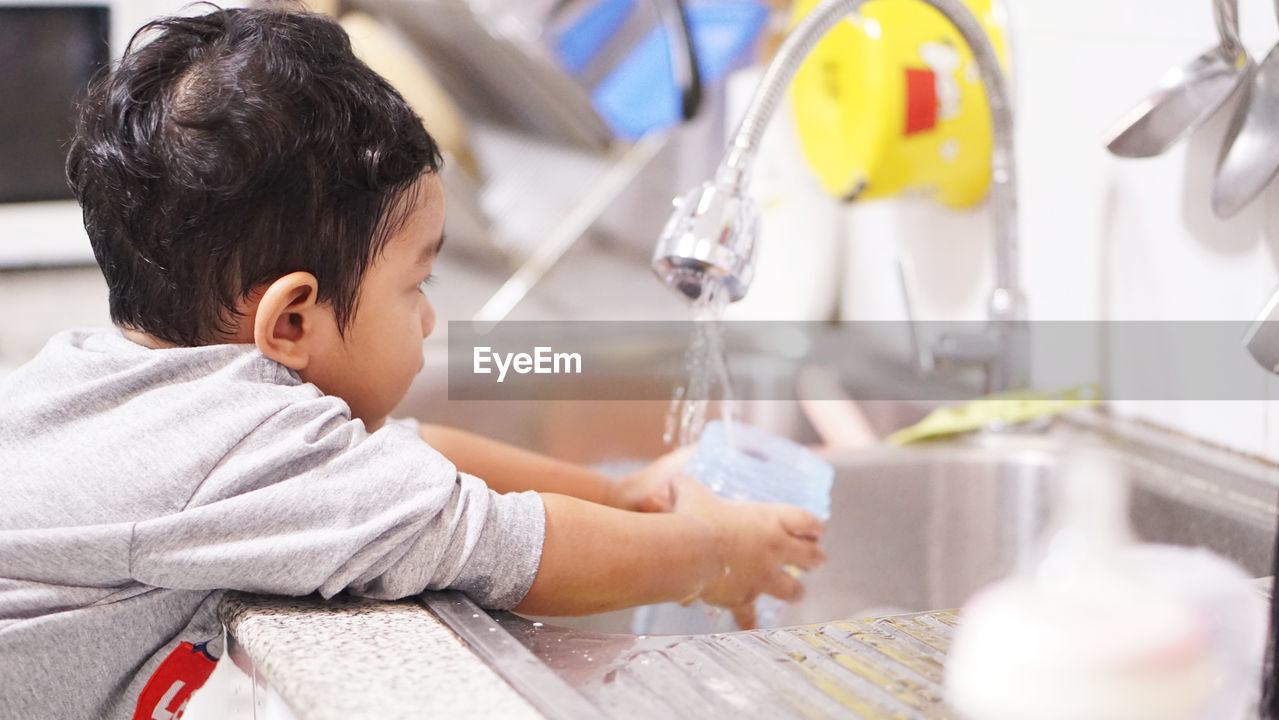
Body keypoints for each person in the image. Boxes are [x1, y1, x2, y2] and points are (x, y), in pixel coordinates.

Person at [0, 6, 826, 719]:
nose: (430, 315)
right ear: (291, 319)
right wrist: (709, 554)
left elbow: (412, 460)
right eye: (416, 283)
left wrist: (620, 494)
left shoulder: (122, 382)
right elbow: (504, 546)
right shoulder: (228, 448)